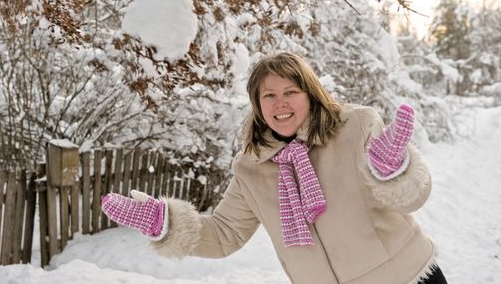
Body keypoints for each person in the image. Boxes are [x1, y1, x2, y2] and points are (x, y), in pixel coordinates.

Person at [102, 52, 448, 284]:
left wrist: (393, 172)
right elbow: (224, 234)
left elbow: (413, 200)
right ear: (257, 105)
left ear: (310, 93)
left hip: (407, 277)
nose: (280, 103)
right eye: (268, 96)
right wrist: (166, 223)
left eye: (291, 91)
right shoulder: (252, 168)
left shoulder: (355, 127)